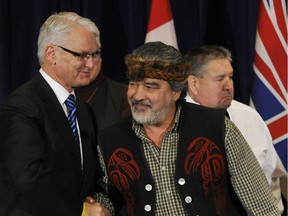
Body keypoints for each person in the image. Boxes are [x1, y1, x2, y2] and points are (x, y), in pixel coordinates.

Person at [87, 41, 279, 215]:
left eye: (150, 87)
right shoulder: (109, 140)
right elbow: (107, 198)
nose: (137, 95)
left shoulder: (218, 127)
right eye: (133, 84)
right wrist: (97, 207)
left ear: (176, 92)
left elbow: (261, 206)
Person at [0, 12, 110, 216]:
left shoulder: (82, 109)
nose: (91, 64)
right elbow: (29, 177)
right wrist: (82, 210)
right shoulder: (22, 105)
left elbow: (86, 174)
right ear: (51, 54)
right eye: (82, 55)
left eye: (95, 54)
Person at [184, 45, 287, 214]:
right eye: (219, 79)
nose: (228, 86)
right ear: (193, 83)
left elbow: (270, 178)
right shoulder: (173, 122)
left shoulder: (248, 117)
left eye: (230, 77)